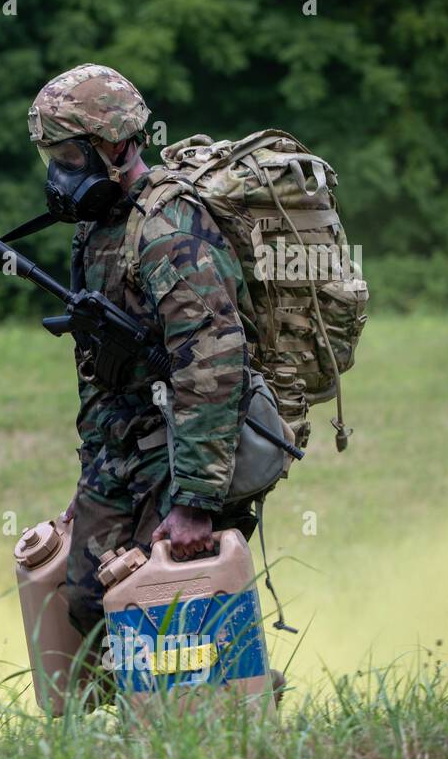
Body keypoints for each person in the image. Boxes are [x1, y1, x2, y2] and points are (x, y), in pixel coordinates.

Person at [27, 64, 270, 687]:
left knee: (169, 610)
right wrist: (89, 485)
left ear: (113, 144)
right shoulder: (97, 229)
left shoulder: (166, 228)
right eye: (49, 157)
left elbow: (213, 366)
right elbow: (103, 380)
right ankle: (123, 746)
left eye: (67, 155)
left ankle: (225, 724)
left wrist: (195, 502)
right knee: (85, 599)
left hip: (183, 452)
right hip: (121, 456)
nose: (58, 174)